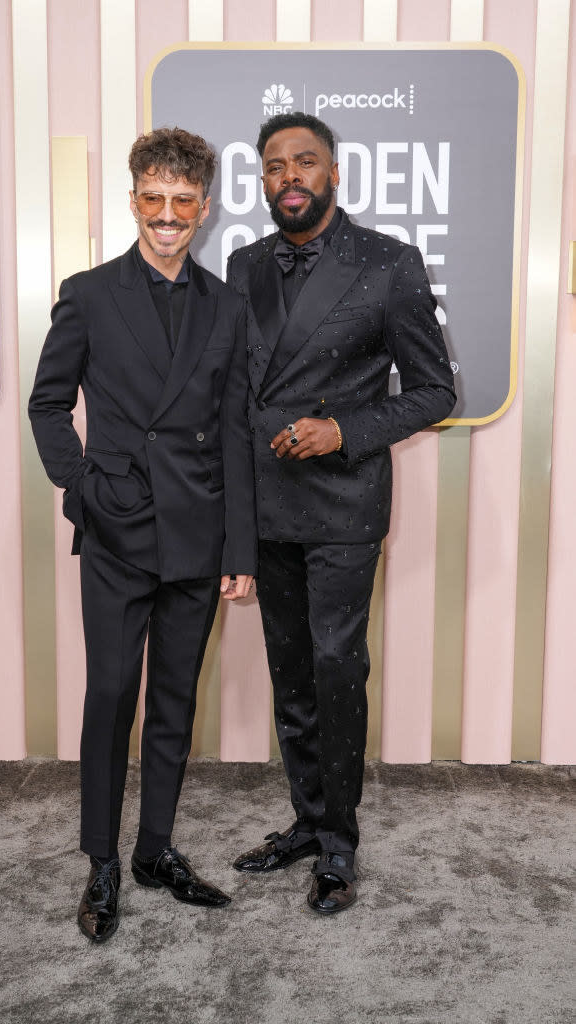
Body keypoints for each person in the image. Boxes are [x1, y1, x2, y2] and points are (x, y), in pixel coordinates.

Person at [29, 127, 256, 943]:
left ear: (203, 208)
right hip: (119, 527)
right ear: (134, 201)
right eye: (152, 200)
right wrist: (83, 485)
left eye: (182, 202)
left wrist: (239, 552)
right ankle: (100, 860)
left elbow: (234, 431)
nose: (166, 216)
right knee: (111, 696)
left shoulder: (227, 305)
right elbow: (48, 404)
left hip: (197, 532)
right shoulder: (88, 293)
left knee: (173, 702)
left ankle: (154, 851)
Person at [227, 112, 456, 915]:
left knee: (333, 668)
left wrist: (343, 430)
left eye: (304, 162)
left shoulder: (387, 264)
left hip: (343, 500)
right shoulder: (242, 262)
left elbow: (435, 390)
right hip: (264, 498)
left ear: (332, 172)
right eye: (272, 167)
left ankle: (338, 844)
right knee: (290, 673)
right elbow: (234, 386)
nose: (288, 176)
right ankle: (305, 818)